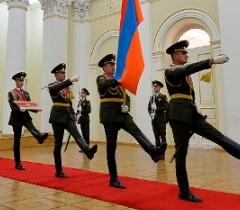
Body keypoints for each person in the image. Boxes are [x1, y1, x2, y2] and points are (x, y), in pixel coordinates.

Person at [165, 41, 240, 203]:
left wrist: (195, 111)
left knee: (217, 136)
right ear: (175, 56)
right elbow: (188, 70)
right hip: (178, 116)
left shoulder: (182, 72)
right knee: (181, 153)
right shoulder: (171, 71)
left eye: (186, 53)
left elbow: (189, 96)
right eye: (183, 53)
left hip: (191, 114)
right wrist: (210, 61)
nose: (186, 55)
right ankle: (183, 190)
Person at [96, 54, 167, 189]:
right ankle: (113, 178)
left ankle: (153, 151)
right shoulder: (101, 78)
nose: (113, 67)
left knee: (136, 131)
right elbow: (104, 85)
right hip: (109, 115)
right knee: (111, 147)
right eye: (111, 65)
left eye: (114, 65)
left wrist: (127, 105)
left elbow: (126, 96)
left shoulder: (118, 81)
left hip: (122, 114)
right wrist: (120, 78)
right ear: (104, 67)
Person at [47, 63, 97, 178]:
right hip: (58, 116)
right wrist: (69, 80)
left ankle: (87, 150)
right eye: (61, 73)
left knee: (76, 134)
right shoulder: (52, 86)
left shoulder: (66, 89)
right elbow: (56, 88)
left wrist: (74, 113)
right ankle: (58, 170)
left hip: (68, 115)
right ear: (56, 74)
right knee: (58, 143)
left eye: (64, 73)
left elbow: (68, 102)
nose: (63, 74)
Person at [7, 72, 48, 170]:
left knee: (31, 127)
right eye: (20, 80)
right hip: (16, 118)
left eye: (22, 80)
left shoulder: (26, 93)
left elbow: (29, 105)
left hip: (25, 116)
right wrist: (19, 109)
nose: (21, 82)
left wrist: (36, 109)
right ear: (16, 81)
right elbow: (12, 106)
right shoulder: (11, 93)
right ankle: (17, 163)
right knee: (17, 140)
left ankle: (39, 137)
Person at [148, 80, 169, 147]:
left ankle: (163, 151)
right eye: (154, 86)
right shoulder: (152, 98)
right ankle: (158, 151)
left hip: (161, 120)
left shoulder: (163, 97)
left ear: (159, 87)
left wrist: (157, 108)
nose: (154, 88)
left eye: (156, 86)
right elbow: (149, 108)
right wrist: (151, 114)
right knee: (156, 136)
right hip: (154, 120)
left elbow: (166, 107)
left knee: (162, 136)